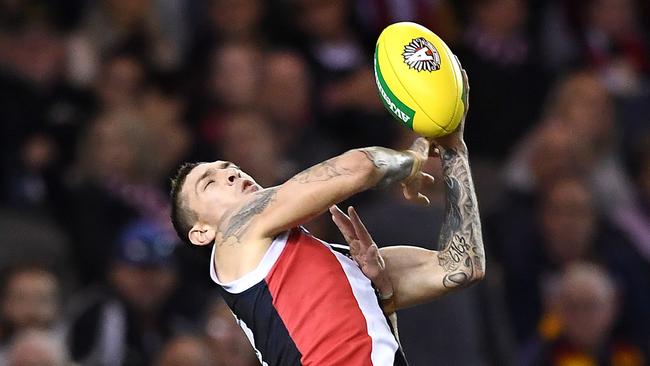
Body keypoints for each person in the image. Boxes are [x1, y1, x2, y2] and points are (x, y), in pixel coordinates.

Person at [169, 69, 485, 365]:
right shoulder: (234, 237)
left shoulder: (348, 263)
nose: (231, 175)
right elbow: (359, 167)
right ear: (201, 233)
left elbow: (463, 267)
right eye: (209, 182)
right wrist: (411, 160)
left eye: (230, 168)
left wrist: (454, 150)